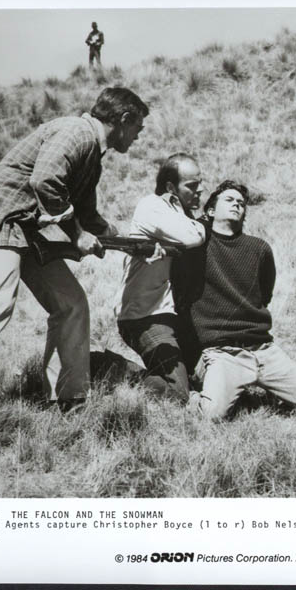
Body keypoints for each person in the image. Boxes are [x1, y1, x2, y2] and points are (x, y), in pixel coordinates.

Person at [0, 86, 149, 435]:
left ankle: (67, 399)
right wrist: (76, 235)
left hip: (26, 232)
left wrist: (127, 242)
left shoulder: (92, 154)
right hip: (1, 219)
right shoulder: (76, 132)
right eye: (138, 127)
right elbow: (45, 180)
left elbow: (87, 214)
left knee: (71, 303)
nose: (138, 136)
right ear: (123, 119)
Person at [174, 181, 296, 420]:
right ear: (211, 210)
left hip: (264, 350)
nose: (237, 204)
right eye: (229, 200)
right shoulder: (195, 248)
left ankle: (261, 389)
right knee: (211, 416)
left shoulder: (259, 249)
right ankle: (197, 391)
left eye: (241, 203)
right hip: (223, 352)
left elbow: (265, 294)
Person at [114, 153, 206, 403]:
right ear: (170, 188)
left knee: (198, 379)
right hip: (145, 318)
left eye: (200, 183)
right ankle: (106, 367)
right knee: (177, 393)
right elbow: (193, 237)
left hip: (174, 317)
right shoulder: (152, 206)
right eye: (192, 185)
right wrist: (201, 222)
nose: (199, 190)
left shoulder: (180, 214)